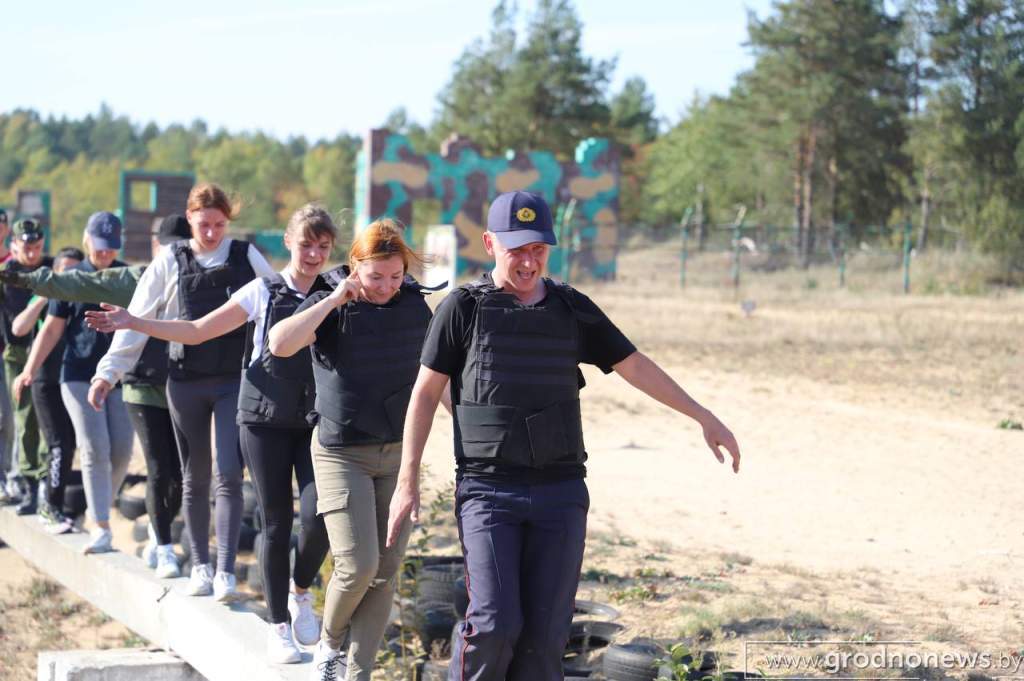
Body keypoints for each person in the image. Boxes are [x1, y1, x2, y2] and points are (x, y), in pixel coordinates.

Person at [384, 191, 742, 681]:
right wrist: (408, 482)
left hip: (560, 490)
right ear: (490, 244)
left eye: (538, 249)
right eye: (517, 250)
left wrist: (702, 415)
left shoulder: (572, 309)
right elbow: (425, 396)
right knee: (494, 624)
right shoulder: (462, 310)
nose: (529, 261)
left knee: (547, 635)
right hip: (490, 491)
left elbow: (634, 365)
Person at [88, 205, 335, 661]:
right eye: (306, 244)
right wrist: (135, 322)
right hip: (263, 421)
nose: (315, 254)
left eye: (323, 246)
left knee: (320, 516)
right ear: (287, 242)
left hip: (313, 421)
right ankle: (277, 624)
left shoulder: (336, 292)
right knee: (276, 522)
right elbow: (198, 330)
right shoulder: (264, 290)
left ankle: (301, 589)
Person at [268, 219, 447, 681]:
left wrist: (468, 421)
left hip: (398, 455)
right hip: (340, 452)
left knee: (386, 571)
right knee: (358, 564)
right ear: (355, 268)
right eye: (375, 277)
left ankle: (357, 673)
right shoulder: (331, 299)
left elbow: (435, 376)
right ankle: (329, 645)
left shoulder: (414, 306)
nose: (386, 287)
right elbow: (280, 344)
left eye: (394, 276)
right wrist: (333, 299)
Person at [88, 183, 273, 600]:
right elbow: (135, 319)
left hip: (233, 380)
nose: (211, 232)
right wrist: (108, 373)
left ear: (229, 221)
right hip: (185, 381)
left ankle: (225, 570)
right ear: (190, 219)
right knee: (195, 477)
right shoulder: (170, 259)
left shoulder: (247, 257)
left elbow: (279, 302)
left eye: (220, 224)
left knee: (228, 472)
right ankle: (201, 567)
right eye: (204, 224)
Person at [12, 213, 131, 554]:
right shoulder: (71, 279)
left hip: (115, 375)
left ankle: (99, 505)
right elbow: (51, 329)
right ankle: (101, 525)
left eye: (111, 248)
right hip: (77, 374)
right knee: (95, 446)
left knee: (122, 448)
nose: (106, 254)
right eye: (100, 247)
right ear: (86, 240)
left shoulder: (125, 276)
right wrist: (29, 369)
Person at [10, 246, 84, 533]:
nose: (70, 276)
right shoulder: (46, 295)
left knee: (71, 445)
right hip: (45, 378)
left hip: (75, 379)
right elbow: (19, 328)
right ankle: (48, 505)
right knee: (57, 445)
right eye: (64, 270)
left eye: (76, 271)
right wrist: (47, 293)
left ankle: (58, 504)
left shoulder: (84, 296)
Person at [0, 219, 53, 515]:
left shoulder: (51, 269)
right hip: (16, 353)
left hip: (46, 352)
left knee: (45, 419)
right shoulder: (7, 275)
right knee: (22, 419)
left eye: (36, 247)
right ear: (14, 245)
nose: (31, 253)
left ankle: (43, 480)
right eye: (25, 247)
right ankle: (27, 480)